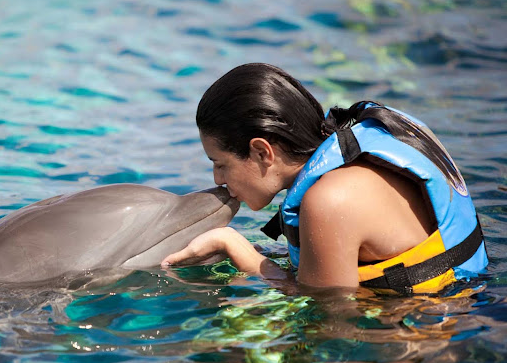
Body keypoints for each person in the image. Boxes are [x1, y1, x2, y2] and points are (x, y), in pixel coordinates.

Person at [161, 63, 488, 293]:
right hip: (471, 301)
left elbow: (329, 319)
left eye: (220, 163)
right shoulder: (381, 135)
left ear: (262, 152)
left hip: (437, 333)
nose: (217, 179)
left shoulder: (330, 201)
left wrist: (232, 244)